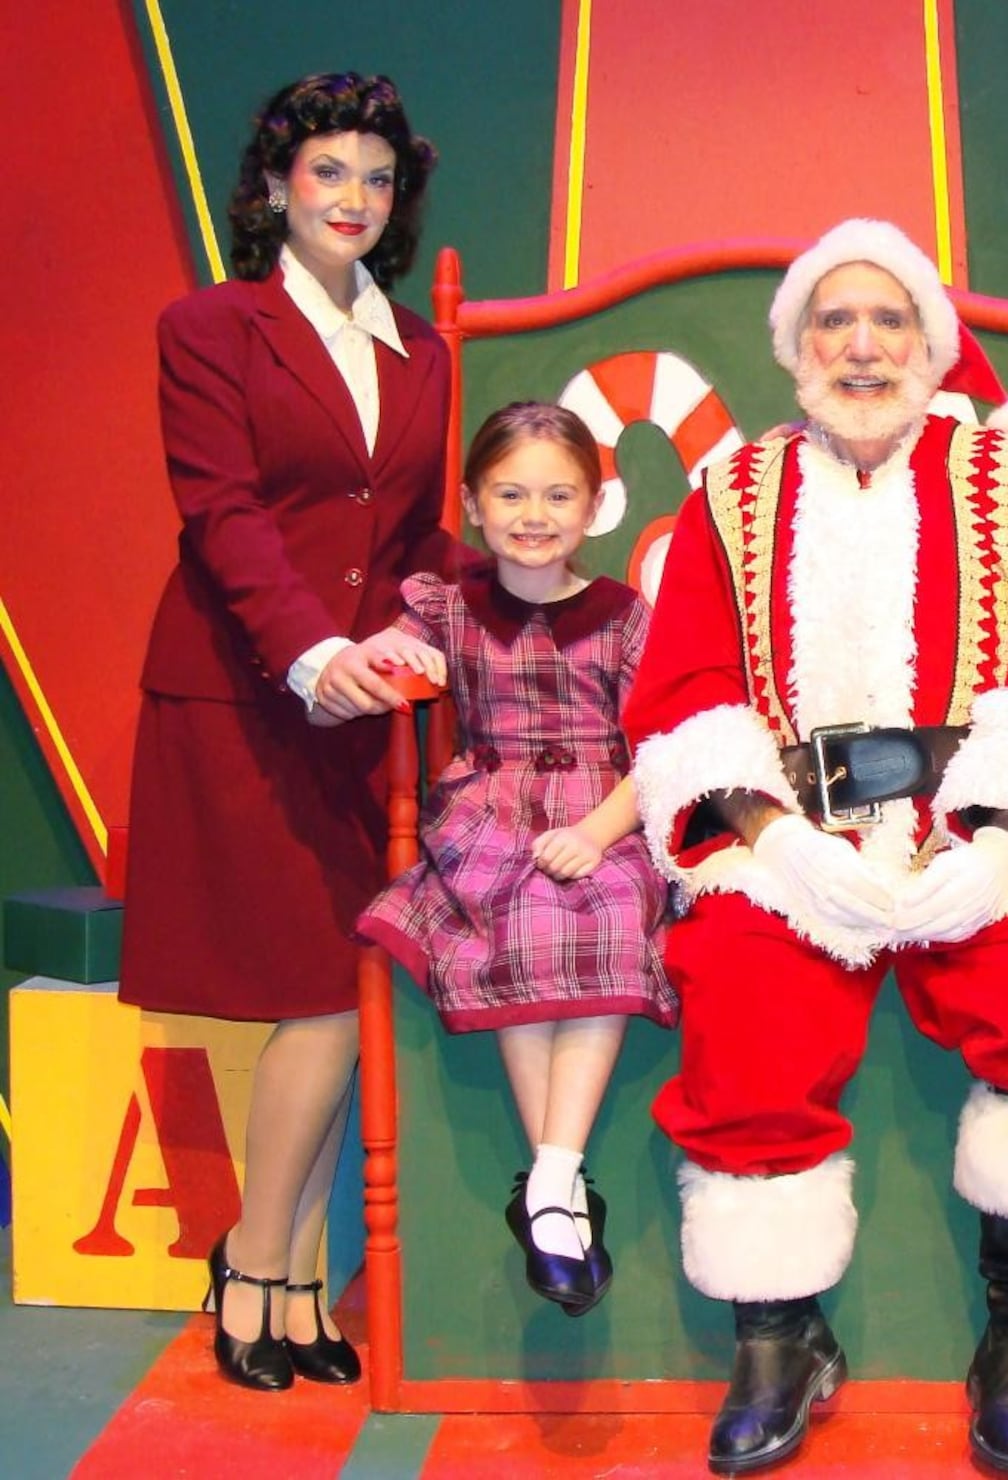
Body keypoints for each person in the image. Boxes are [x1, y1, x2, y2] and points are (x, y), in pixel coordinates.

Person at [624, 218, 1008, 1478]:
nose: (861, 345)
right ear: (797, 351)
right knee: (741, 995)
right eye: (833, 323)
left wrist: (1006, 837)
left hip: (983, 819)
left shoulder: (1006, 481)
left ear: (930, 342)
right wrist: (769, 835)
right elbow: (685, 687)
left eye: (887, 319)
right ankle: (777, 1338)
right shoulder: (730, 494)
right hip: (791, 834)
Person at [119, 73, 456, 1392]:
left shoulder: (419, 349)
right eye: (328, 173)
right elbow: (224, 513)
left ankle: (296, 1277)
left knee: (349, 988)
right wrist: (316, 653)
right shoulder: (208, 325)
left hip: (373, 711)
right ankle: (259, 1261)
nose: (354, 200)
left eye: (377, 178)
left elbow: (415, 525)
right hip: (250, 694)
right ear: (274, 189)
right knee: (317, 992)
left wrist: (436, 620)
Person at [351, 401, 677, 1317]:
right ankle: (560, 1196)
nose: (535, 515)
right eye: (510, 494)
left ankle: (550, 1181)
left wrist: (599, 834)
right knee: (519, 918)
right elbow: (390, 653)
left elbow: (658, 752)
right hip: (489, 810)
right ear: (473, 504)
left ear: (595, 506)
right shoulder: (449, 610)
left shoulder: (623, 617)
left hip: (605, 809)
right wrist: (380, 651)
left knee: (609, 911)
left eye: (559, 495)